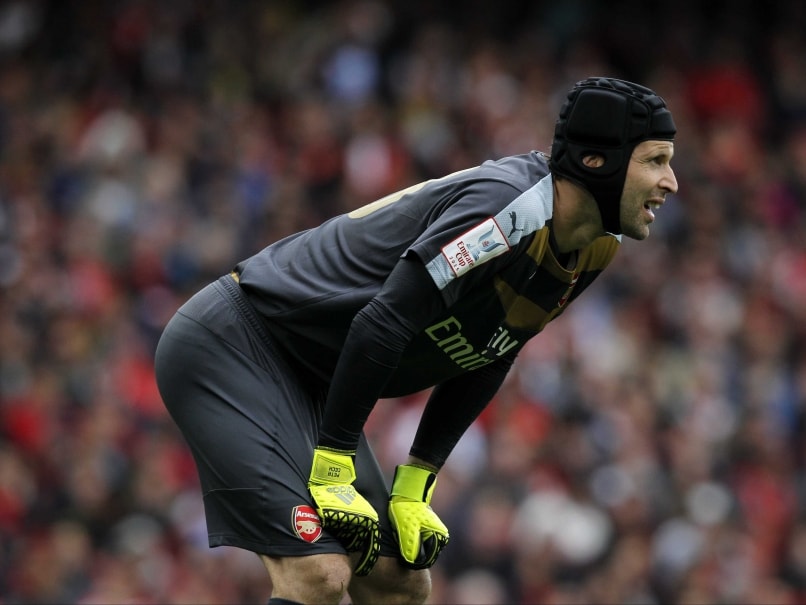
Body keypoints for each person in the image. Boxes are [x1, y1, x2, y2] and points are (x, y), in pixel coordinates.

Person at [154, 76, 678, 605]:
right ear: (597, 162)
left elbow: (494, 348)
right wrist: (334, 461)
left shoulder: (594, 246)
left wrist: (418, 479)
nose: (671, 181)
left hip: (311, 375)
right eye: (655, 160)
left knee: (400, 584)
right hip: (234, 344)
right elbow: (384, 322)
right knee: (319, 574)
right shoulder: (507, 211)